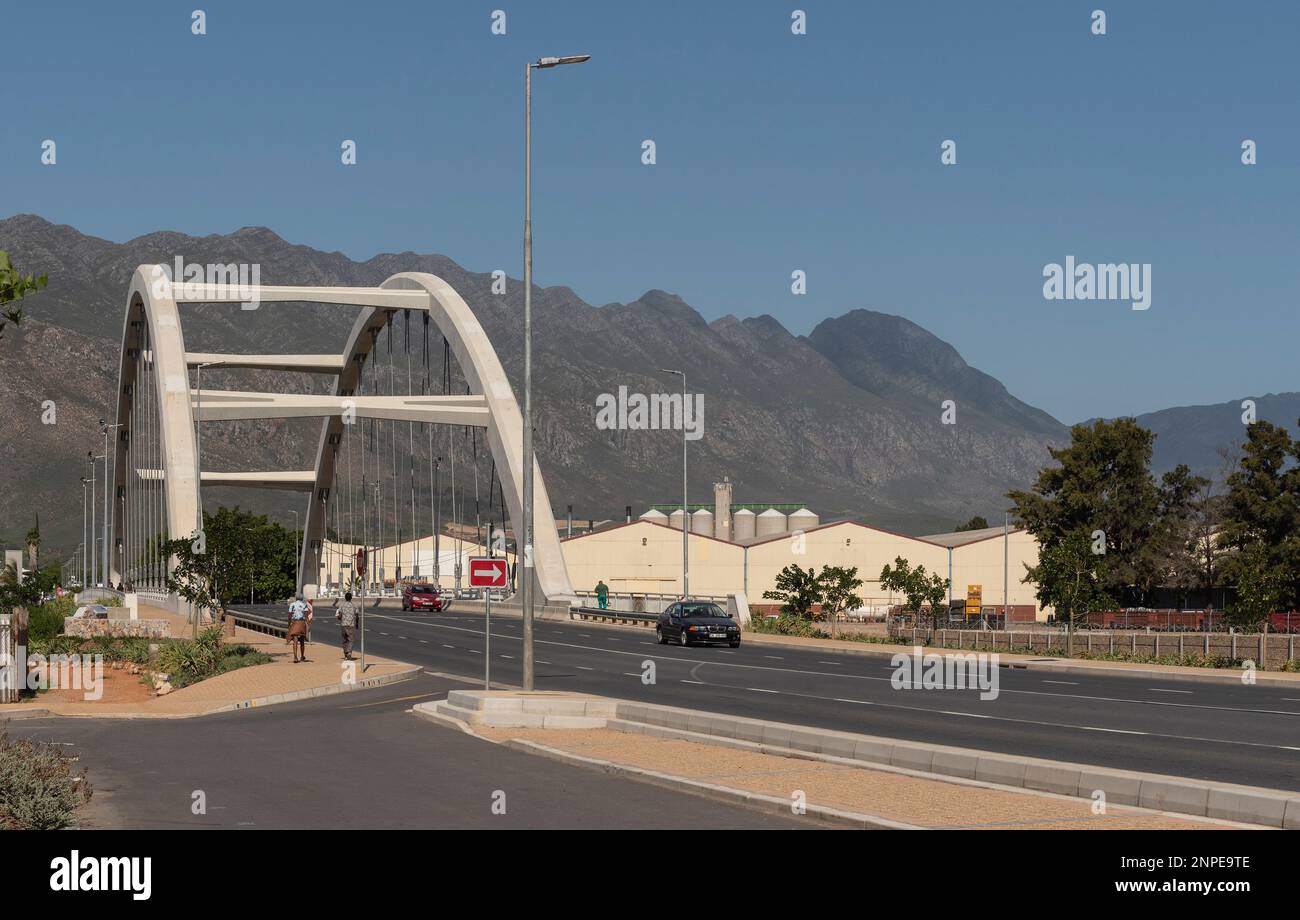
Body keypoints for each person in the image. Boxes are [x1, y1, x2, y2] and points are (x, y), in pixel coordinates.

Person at [334, 591, 359, 660]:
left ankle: (345, 653)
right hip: (351, 625)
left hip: (343, 625)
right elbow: (357, 616)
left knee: (344, 640)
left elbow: (340, 616)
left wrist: (339, 618)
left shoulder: (341, 605)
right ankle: (349, 653)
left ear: (345, 598)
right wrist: (357, 624)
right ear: (351, 598)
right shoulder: (354, 605)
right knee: (351, 640)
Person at [287, 593, 310, 663]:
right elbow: (306, 616)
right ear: (302, 598)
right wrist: (308, 625)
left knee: (295, 640)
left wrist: (289, 624)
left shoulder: (292, 605)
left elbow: (289, 615)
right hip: (302, 623)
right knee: (302, 640)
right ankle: (302, 656)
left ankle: (295, 657)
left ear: (296, 598)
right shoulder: (304, 605)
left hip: (295, 622)